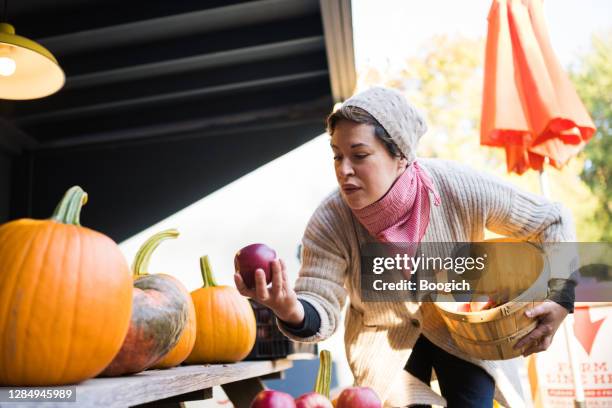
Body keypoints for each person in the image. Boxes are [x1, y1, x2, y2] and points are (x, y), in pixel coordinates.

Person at [234, 87, 576, 407]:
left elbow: (553, 220)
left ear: (400, 157)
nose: (344, 170)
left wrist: (561, 297)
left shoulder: (459, 187)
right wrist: (289, 308)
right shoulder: (330, 221)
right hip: (382, 350)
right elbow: (320, 303)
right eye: (337, 156)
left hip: (465, 336)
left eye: (359, 155)